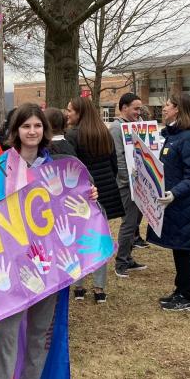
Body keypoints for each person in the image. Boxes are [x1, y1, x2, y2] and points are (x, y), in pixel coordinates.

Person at [0, 103, 79, 379]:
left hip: (48, 266)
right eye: (26, 126)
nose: (32, 131)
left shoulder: (57, 167)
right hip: (10, 267)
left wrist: (88, 196)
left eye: (37, 125)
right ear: (15, 130)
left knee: (39, 331)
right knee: (6, 334)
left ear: (44, 130)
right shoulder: (0, 167)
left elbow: (73, 208)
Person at [64, 96, 124, 304]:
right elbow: (113, 163)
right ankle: (99, 288)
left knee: (77, 239)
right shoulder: (103, 133)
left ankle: (79, 286)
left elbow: (71, 167)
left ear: (79, 113)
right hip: (104, 193)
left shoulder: (71, 135)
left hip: (81, 194)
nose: (67, 113)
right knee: (99, 240)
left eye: (70, 109)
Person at [151, 93, 190, 312]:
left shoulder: (189, 137)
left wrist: (174, 193)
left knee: (184, 250)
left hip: (183, 203)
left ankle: (189, 296)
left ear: (178, 109)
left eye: (167, 105)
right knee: (178, 248)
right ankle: (180, 290)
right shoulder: (173, 135)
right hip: (174, 204)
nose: (163, 109)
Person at [109, 92, 149, 278]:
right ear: (124, 108)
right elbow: (118, 157)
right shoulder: (116, 128)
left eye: (139, 108)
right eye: (135, 108)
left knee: (134, 223)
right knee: (129, 223)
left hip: (140, 184)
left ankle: (128, 257)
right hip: (128, 185)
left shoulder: (136, 125)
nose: (138, 111)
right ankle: (121, 262)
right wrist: (127, 181)